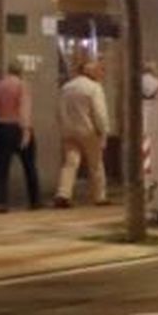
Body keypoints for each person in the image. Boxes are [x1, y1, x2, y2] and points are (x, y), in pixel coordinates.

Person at [56, 59, 111, 208]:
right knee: (96, 164)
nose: (102, 74)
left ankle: (63, 194)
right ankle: (99, 196)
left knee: (70, 163)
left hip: (69, 130)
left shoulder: (66, 87)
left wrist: (63, 127)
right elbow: (99, 113)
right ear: (91, 72)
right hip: (89, 130)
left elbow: (60, 111)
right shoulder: (94, 88)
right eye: (100, 71)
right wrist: (103, 130)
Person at [0, 61, 40, 211]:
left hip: (3, 128)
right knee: (29, 165)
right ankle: (34, 200)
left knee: (2, 167)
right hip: (18, 126)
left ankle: (2, 201)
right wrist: (26, 129)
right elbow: (24, 107)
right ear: (20, 71)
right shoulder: (22, 85)